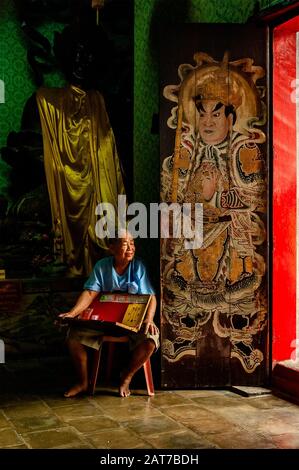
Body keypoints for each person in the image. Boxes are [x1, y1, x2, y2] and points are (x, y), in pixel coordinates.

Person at [59, 231, 159, 398]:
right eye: (125, 243)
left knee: (151, 339)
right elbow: (90, 293)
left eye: (132, 243)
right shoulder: (102, 266)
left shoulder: (138, 267)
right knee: (73, 336)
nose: (131, 247)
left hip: (131, 322)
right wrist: (72, 313)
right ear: (111, 248)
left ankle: (126, 377)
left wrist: (149, 319)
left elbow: (151, 297)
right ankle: (83, 382)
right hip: (106, 322)